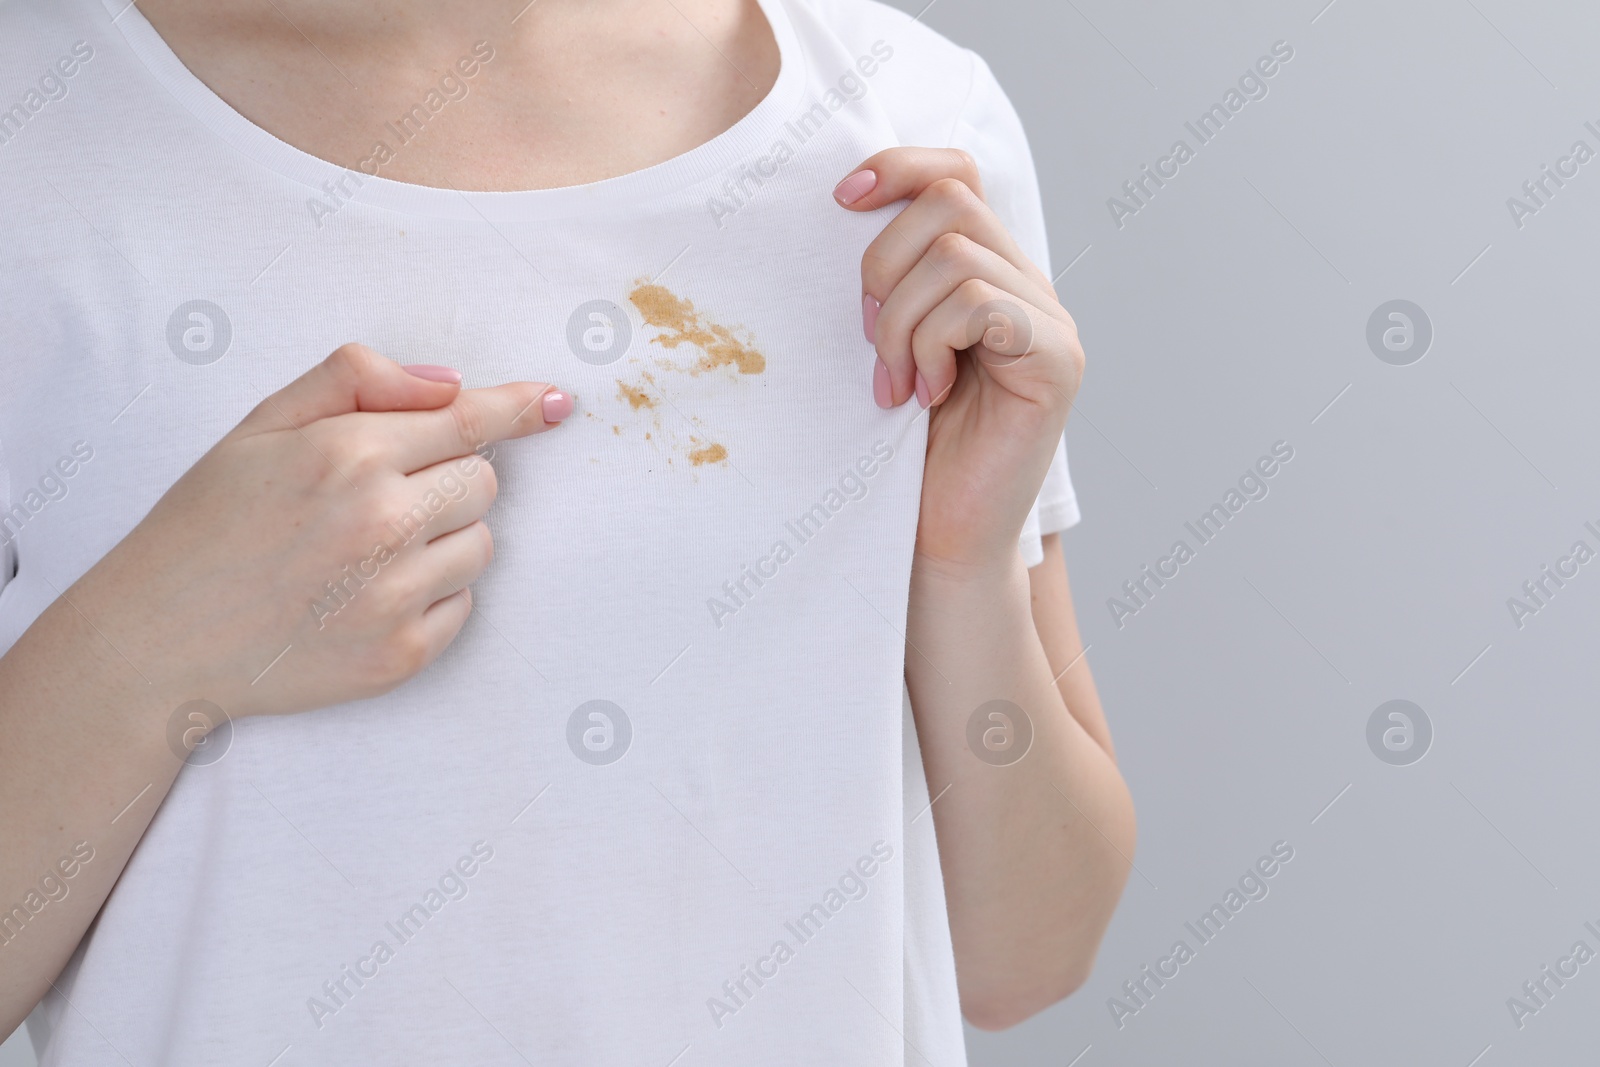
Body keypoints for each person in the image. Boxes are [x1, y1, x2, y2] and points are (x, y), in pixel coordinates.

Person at [0, 0, 1135, 1061]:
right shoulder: (40, 118)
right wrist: (155, 639)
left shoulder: (906, 119)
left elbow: (1028, 952)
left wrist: (962, 558)